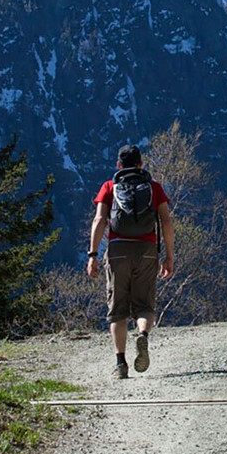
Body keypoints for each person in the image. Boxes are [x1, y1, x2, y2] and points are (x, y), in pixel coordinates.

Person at [87, 144, 175, 379]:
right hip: (146, 250)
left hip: (117, 250)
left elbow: (99, 221)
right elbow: (166, 222)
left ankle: (120, 365)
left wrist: (92, 254)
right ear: (141, 165)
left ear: (118, 165)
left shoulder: (109, 187)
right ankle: (143, 336)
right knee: (144, 305)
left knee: (117, 309)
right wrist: (169, 255)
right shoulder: (154, 189)